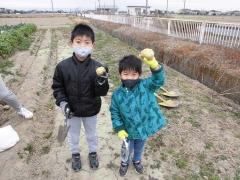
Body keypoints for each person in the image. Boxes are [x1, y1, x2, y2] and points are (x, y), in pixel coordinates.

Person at [52, 23, 109, 172]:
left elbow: (102, 92)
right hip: (72, 111)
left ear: (92, 45)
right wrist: (63, 103)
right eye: (78, 42)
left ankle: (92, 152)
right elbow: (58, 87)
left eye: (87, 42)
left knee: (92, 134)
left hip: (91, 110)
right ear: (71, 43)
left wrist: (102, 80)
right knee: (73, 135)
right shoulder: (62, 67)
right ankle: (75, 154)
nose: (82, 45)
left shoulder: (97, 67)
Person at [110, 49, 167, 176]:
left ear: (139, 75)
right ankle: (124, 162)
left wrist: (153, 63)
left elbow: (159, 80)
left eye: (134, 74)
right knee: (126, 148)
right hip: (127, 131)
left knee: (139, 148)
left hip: (143, 129)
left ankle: (136, 161)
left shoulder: (146, 86)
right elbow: (114, 112)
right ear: (120, 74)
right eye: (125, 74)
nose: (129, 78)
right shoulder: (117, 95)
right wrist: (119, 128)